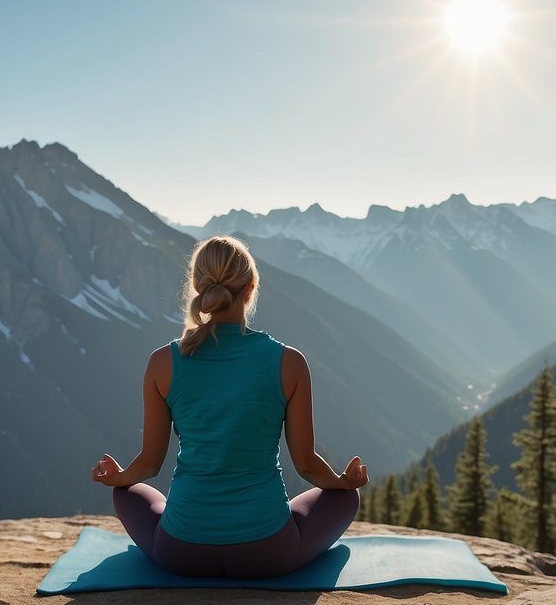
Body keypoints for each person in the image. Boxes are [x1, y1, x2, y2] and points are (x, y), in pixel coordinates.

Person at [91, 235, 368, 579]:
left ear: (195, 285)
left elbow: (148, 464)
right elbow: (308, 465)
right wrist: (342, 482)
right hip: (267, 551)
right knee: (345, 499)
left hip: (181, 550)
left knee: (128, 493)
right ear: (251, 287)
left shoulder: (163, 362)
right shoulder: (288, 362)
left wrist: (118, 476)